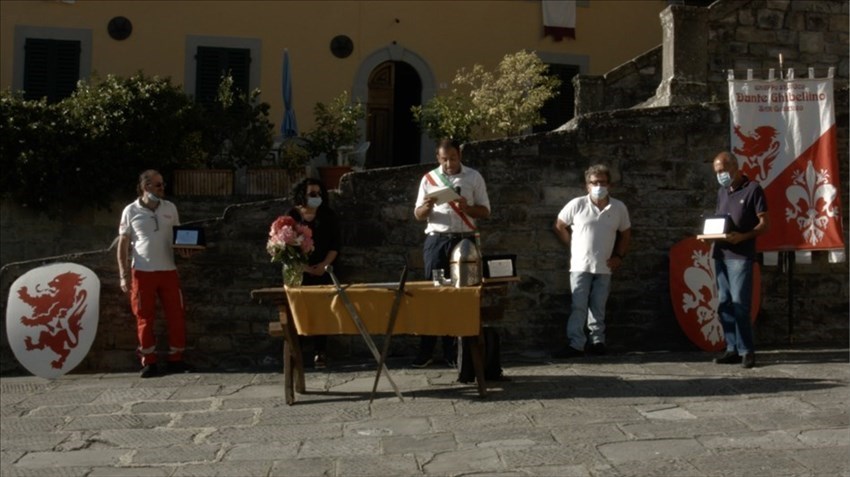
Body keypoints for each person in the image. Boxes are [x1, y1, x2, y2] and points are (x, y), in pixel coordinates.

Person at [412, 138, 491, 368]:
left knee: (461, 294)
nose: (449, 163)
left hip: (464, 241)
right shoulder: (429, 179)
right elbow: (418, 214)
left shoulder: (473, 177)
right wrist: (426, 207)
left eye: (453, 158)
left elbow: (485, 211)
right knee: (434, 292)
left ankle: (454, 352)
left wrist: (467, 208)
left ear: (460, 156)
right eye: (444, 159)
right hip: (438, 241)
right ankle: (426, 350)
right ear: (438, 158)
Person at [117, 170, 196, 378]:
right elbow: (123, 243)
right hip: (142, 271)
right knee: (144, 317)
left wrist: (186, 252)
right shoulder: (130, 210)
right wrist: (123, 274)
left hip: (168, 270)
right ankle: (149, 361)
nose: (163, 188)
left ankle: (176, 359)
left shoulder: (170, 208)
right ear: (146, 187)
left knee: (176, 314)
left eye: (163, 184)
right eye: (158, 185)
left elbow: (179, 238)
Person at [553, 164, 631, 358]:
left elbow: (626, 233)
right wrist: (571, 244)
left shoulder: (619, 207)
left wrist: (618, 256)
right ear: (587, 185)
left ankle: (597, 341)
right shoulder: (577, 204)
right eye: (594, 182)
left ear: (609, 185)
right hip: (580, 265)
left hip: (604, 266)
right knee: (578, 305)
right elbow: (560, 224)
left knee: (598, 306)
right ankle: (576, 344)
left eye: (602, 182)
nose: (598, 186)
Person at [705, 151, 769, 369]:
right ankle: (731, 348)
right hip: (720, 254)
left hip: (740, 256)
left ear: (735, 167)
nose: (720, 175)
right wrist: (709, 236)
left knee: (740, 303)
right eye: (717, 172)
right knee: (724, 304)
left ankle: (747, 350)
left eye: (722, 170)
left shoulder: (753, 190)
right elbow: (720, 221)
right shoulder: (722, 192)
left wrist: (742, 236)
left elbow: (763, 224)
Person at [286, 178, 340, 369]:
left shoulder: (328, 215)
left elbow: (335, 245)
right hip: (299, 272)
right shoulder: (292, 216)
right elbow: (285, 247)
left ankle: (320, 351)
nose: (316, 197)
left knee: (321, 312)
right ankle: (297, 351)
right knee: (298, 311)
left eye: (319, 193)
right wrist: (304, 267)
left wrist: (324, 265)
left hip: (323, 270)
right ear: (302, 194)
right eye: (311, 193)